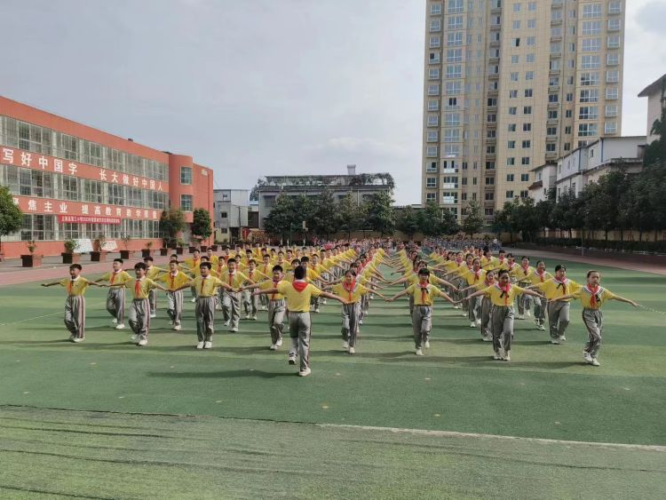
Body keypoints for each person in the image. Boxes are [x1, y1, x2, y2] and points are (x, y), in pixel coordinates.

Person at [252, 266, 348, 377]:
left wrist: (259, 292)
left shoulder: (288, 286)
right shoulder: (309, 287)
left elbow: (275, 290)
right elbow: (324, 294)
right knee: (304, 342)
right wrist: (340, 298)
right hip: (304, 316)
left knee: (294, 338)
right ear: (305, 275)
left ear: (294, 276)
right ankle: (303, 368)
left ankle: (292, 353)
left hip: (292, 316)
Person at [551, 270, 638, 366]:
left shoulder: (602, 290)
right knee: (597, 336)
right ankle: (587, 352)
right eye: (593, 277)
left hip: (598, 313)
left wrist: (630, 301)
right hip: (588, 314)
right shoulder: (583, 290)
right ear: (588, 279)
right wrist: (556, 298)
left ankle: (592, 356)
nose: (595, 279)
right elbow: (570, 295)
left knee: (595, 336)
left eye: (597, 277)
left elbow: (615, 297)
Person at [463, 270, 543, 361]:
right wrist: (471, 296)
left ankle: (506, 351)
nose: (505, 280)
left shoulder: (513, 287)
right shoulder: (494, 287)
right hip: (497, 310)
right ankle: (497, 351)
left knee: (508, 331)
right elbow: (482, 291)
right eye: (503, 278)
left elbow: (525, 290)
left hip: (509, 311)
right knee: (496, 333)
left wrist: (537, 294)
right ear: (499, 278)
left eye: (507, 278)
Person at [385, 269, 456, 356]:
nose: (424, 277)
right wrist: (393, 298)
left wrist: (452, 301)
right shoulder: (415, 286)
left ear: (428, 276)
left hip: (427, 309)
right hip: (417, 309)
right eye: (422, 275)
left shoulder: (432, 287)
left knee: (425, 329)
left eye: (426, 275)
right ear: (419, 276)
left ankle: (426, 338)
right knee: (417, 330)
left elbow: (442, 294)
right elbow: (404, 292)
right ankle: (418, 348)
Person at [177, 262, 235, 349]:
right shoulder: (197, 279)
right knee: (199, 321)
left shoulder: (214, 279)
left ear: (209, 270)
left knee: (209, 320)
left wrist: (232, 288)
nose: (202, 270)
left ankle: (208, 340)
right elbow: (188, 284)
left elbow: (222, 283)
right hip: (200, 299)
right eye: (201, 268)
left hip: (210, 299)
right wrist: (176, 289)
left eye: (204, 268)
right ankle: (201, 340)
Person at [108, 262, 168, 346]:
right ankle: (137, 332)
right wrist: (110, 284)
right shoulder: (132, 280)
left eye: (139, 270)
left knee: (144, 320)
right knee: (131, 319)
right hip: (134, 301)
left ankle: (144, 338)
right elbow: (123, 283)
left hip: (144, 301)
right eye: (136, 270)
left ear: (144, 271)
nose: (137, 272)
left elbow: (156, 285)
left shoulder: (147, 281)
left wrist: (165, 290)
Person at [41, 264, 104, 342]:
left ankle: (81, 336)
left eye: (74, 270)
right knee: (67, 319)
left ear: (79, 271)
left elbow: (90, 282)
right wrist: (47, 284)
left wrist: (98, 284)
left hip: (78, 299)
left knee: (79, 318)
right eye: (70, 270)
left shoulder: (82, 280)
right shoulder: (68, 280)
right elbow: (58, 282)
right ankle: (74, 332)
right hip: (69, 299)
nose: (72, 272)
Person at [331, 270, 388, 354]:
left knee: (353, 326)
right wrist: (321, 290)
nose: (348, 278)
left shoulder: (358, 286)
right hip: (345, 306)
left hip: (354, 306)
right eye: (346, 276)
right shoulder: (341, 286)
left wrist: (381, 296)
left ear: (354, 277)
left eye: (350, 276)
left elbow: (370, 290)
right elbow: (331, 287)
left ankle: (351, 346)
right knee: (345, 326)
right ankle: (345, 339)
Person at [529, 264, 582, 344]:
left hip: (565, 302)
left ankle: (561, 333)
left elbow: (579, 287)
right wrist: (529, 287)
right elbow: (540, 286)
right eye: (560, 271)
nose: (562, 273)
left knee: (565, 319)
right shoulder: (551, 281)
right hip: (553, 302)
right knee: (553, 321)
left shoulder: (569, 281)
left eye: (563, 271)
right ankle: (554, 337)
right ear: (556, 272)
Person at [241, 265, 287, 350]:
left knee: (277, 322)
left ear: (282, 274)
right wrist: (246, 287)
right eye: (274, 273)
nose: (276, 275)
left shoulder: (285, 283)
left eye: (278, 273)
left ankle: (279, 338)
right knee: (271, 325)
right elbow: (258, 285)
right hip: (271, 304)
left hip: (281, 304)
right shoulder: (269, 282)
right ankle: (274, 342)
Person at [95, 259, 132, 330]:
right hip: (111, 290)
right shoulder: (111, 273)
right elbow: (102, 278)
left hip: (120, 290)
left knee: (120, 307)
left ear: (121, 265)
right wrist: (93, 282)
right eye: (113, 263)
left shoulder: (124, 273)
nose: (114, 265)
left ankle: (121, 323)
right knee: (109, 307)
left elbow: (129, 281)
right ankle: (117, 316)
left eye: (116, 264)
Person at [219, 258, 253, 332]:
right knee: (225, 305)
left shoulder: (239, 273)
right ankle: (227, 319)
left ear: (235, 265)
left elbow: (248, 280)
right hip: (227, 292)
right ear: (227, 265)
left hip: (237, 292)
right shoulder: (224, 273)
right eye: (230, 265)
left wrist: (251, 286)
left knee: (236, 310)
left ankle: (235, 326)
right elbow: (220, 282)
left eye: (233, 265)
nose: (231, 266)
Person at [158, 260, 191, 331]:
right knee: (170, 309)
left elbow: (189, 279)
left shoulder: (181, 274)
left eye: (173, 265)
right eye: (170, 265)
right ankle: (174, 319)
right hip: (169, 292)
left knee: (178, 310)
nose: (171, 266)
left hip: (178, 292)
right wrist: (150, 279)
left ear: (177, 266)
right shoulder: (168, 274)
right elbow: (159, 278)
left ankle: (177, 323)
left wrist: (196, 282)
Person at [527, 260, 552, 330]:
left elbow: (553, 281)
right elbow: (526, 278)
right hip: (535, 292)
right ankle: (536, 317)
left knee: (543, 309)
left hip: (544, 293)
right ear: (536, 266)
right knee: (538, 304)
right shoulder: (533, 273)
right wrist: (517, 281)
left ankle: (541, 323)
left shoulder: (547, 274)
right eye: (540, 265)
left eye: (542, 265)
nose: (541, 266)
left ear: (544, 266)